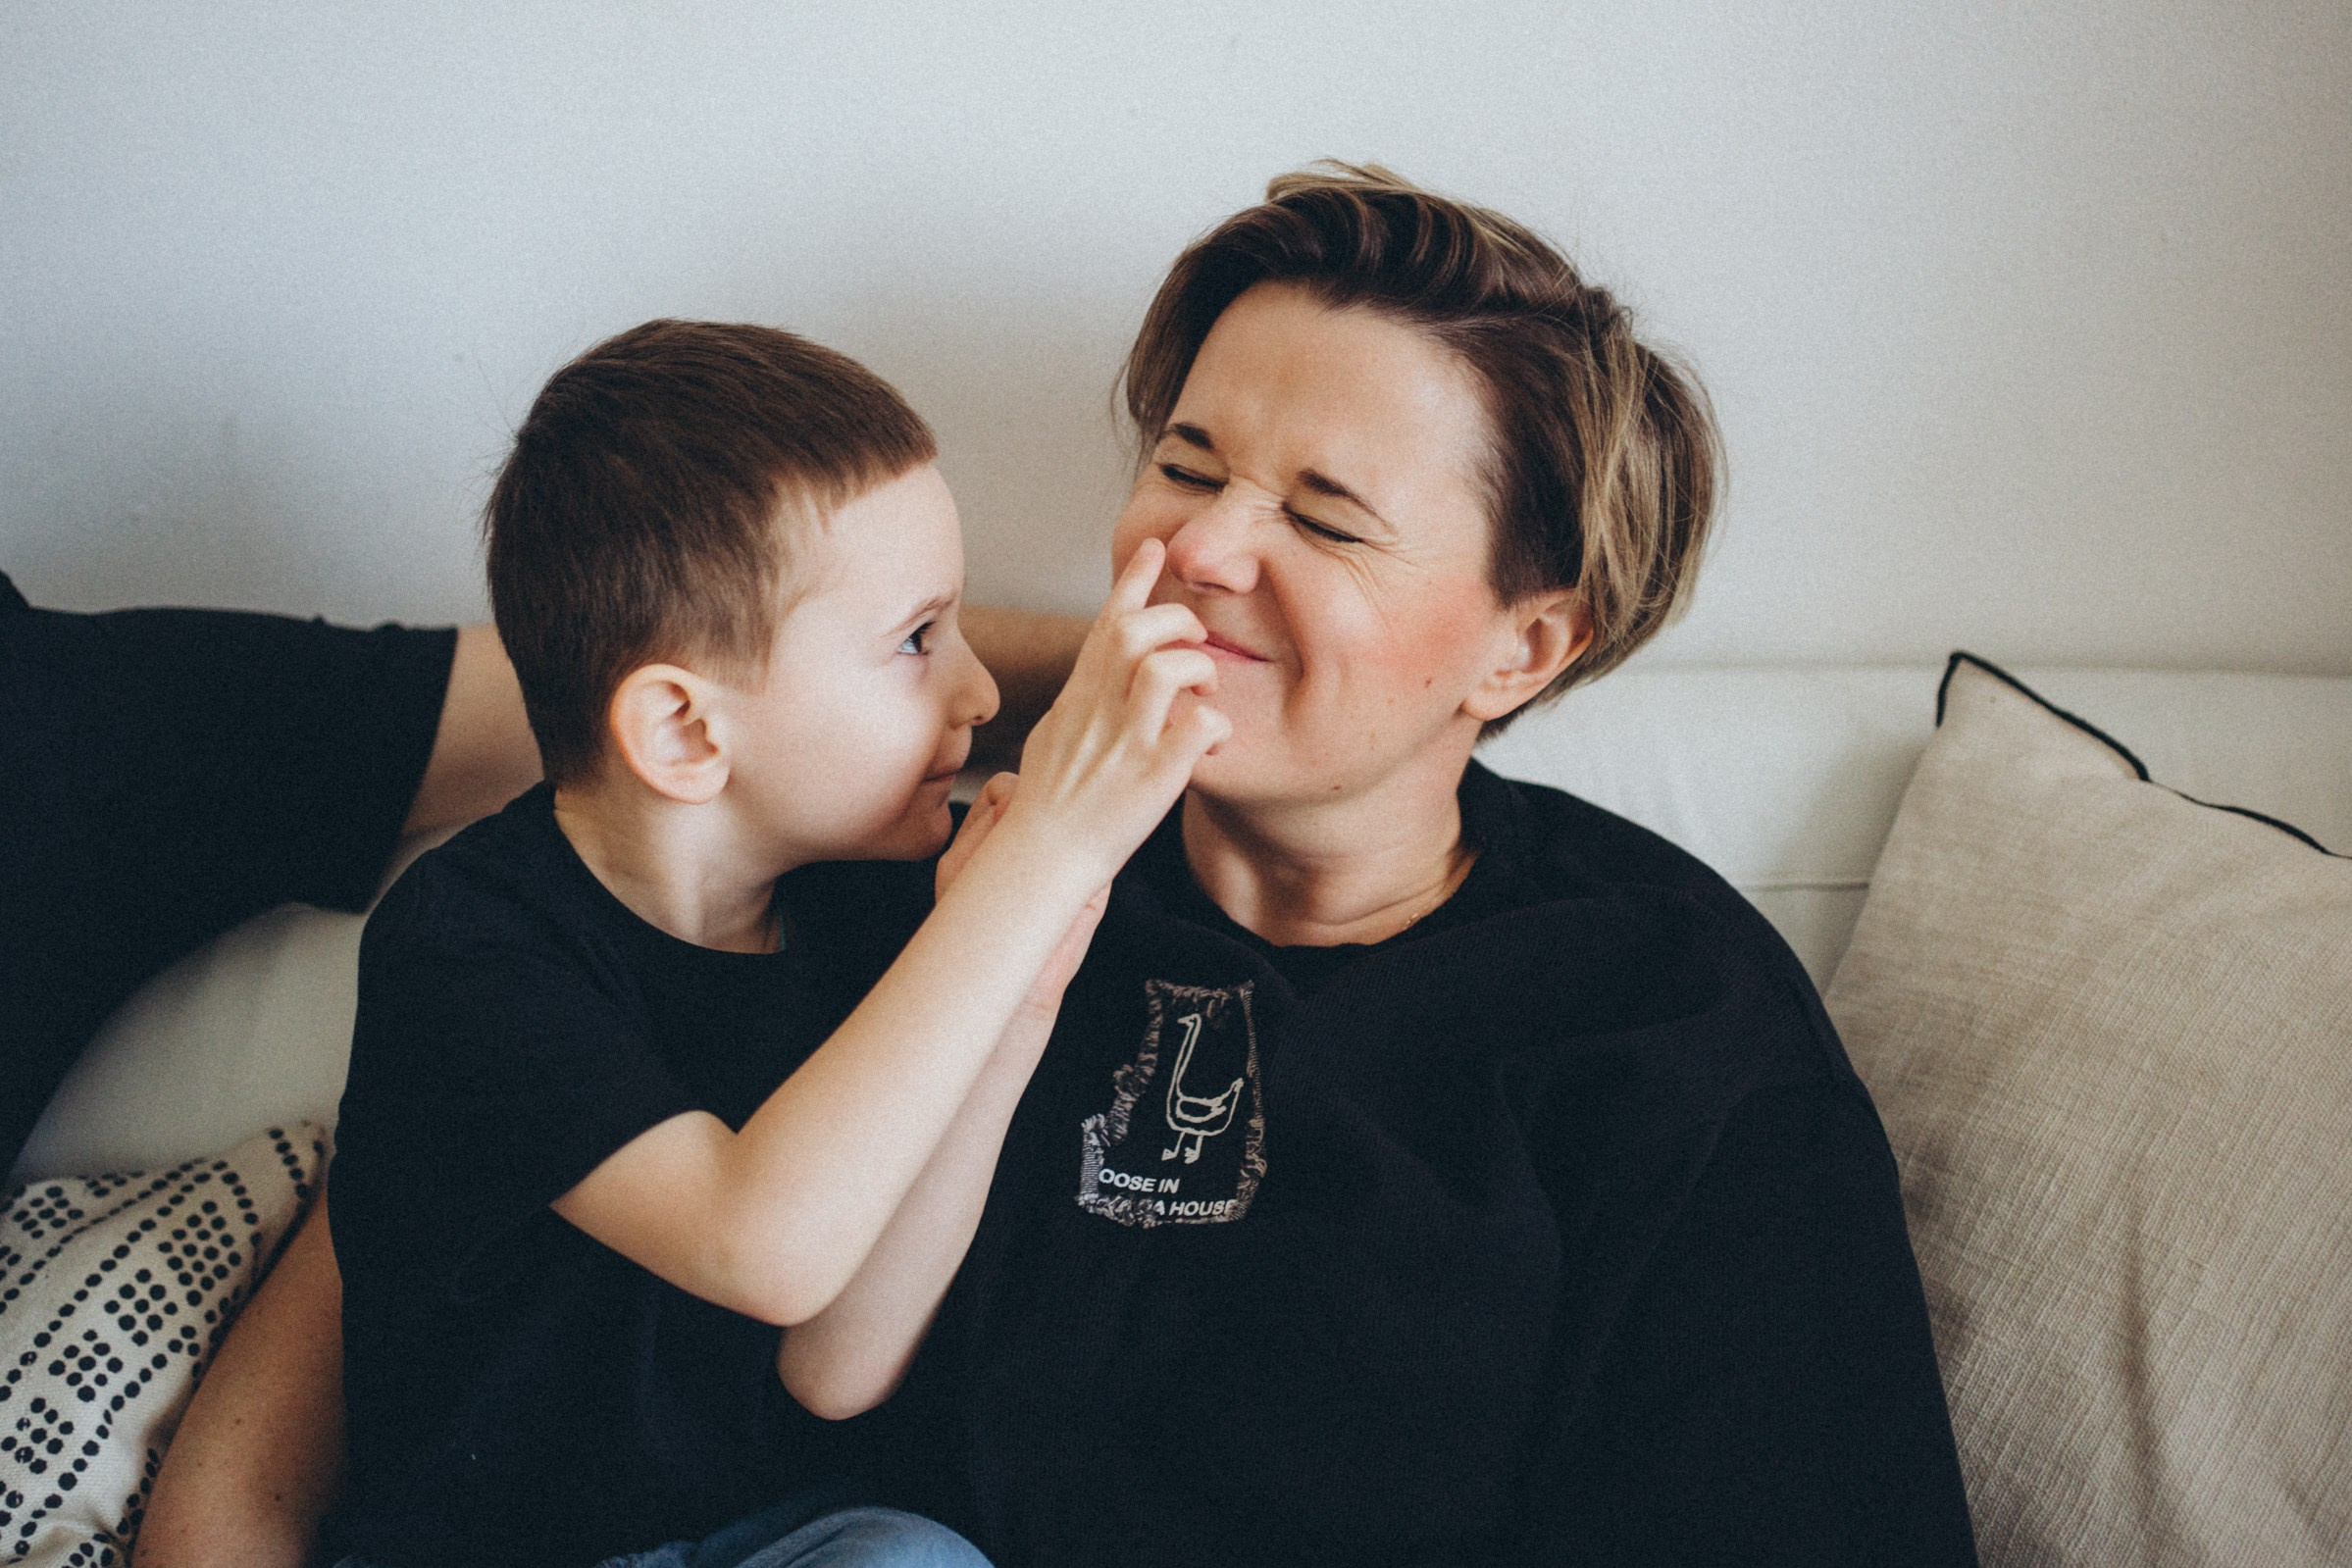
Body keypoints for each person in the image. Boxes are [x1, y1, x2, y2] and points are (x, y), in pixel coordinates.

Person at [142, 166, 1979, 1567]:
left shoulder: (1661, 1006)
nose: (1202, 553)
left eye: (1324, 515)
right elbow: (460, 1173)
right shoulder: (889, 845)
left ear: (1525, 644)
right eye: (1185, 464)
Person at [319, 319, 1224, 1568]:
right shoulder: (469, 948)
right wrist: (1040, 863)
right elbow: (763, 1251)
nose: (979, 694)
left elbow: (837, 1366)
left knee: (914, 1556)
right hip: (480, 1550)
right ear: (686, 734)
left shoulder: (864, 907)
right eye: (917, 640)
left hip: (760, 1536)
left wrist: (1020, 983)